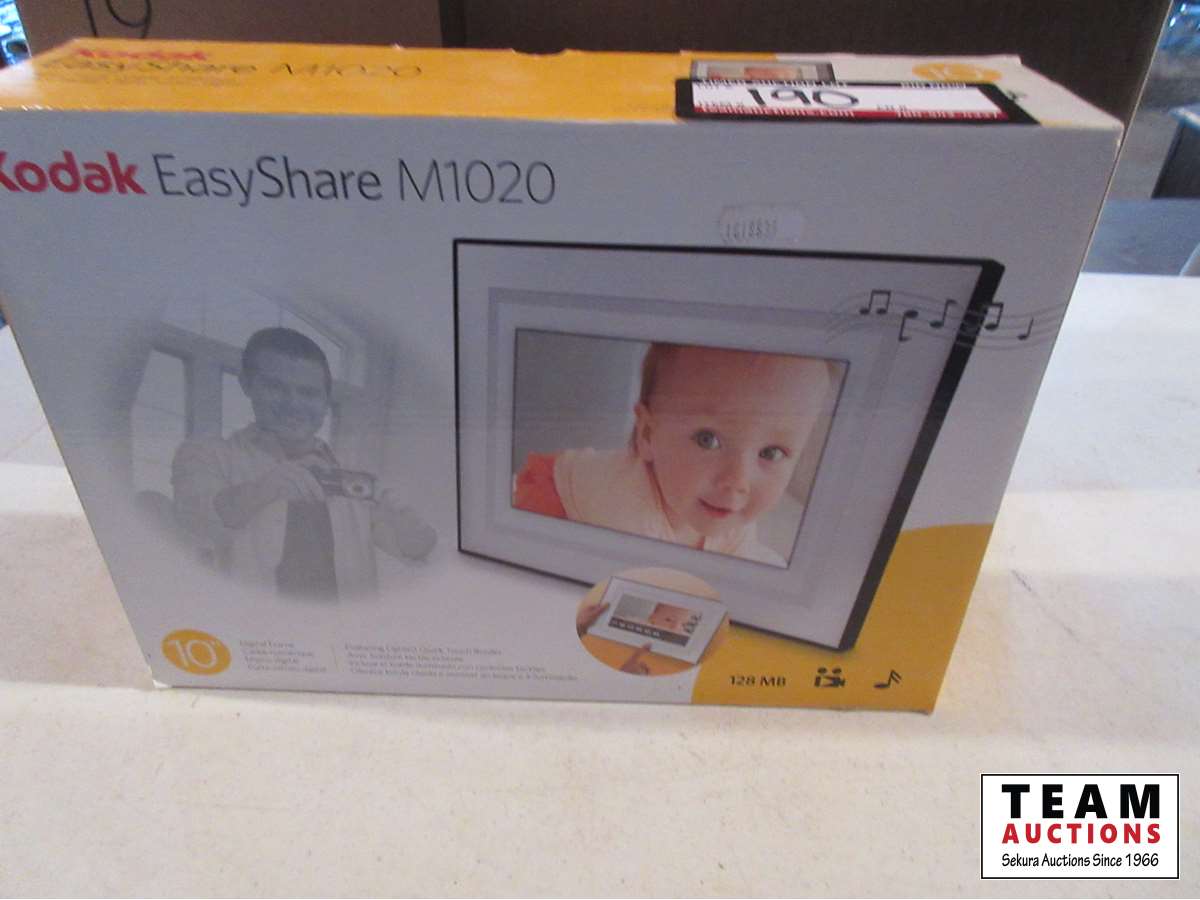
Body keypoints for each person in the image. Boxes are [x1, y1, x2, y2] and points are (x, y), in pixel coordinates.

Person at [171, 327, 435, 600]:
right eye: (275, 387)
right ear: (247, 384)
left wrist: (402, 515)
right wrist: (263, 490)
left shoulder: (356, 479)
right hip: (249, 622)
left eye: (308, 393)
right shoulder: (205, 455)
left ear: (325, 399)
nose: (293, 404)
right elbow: (195, 522)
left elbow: (416, 550)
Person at [514, 343, 836, 566]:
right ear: (647, 434)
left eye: (771, 452)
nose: (737, 481)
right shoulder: (630, 520)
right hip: (553, 489)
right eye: (708, 440)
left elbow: (742, 558)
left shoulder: (731, 509)